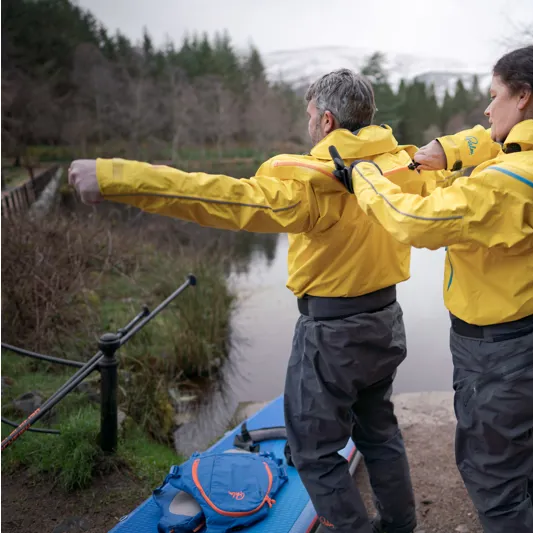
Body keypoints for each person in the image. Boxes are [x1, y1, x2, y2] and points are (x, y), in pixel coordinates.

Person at [68, 69, 425, 533]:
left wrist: (116, 177)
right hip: (385, 322)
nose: (308, 122)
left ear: (328, 122)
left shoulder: (310, 187)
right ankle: (400, 527)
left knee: (315, 452)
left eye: (310, 114)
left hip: (332, 337)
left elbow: (215, 197)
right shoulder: (404, 167)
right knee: (378, 433)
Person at [326, 44, 533, 533]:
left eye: (493, 95)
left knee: (494, 486)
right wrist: (451, 151)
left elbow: (415, 221)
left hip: (501, 359)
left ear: (522, 97)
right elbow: (495, 144)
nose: (485, 107)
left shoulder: (510, 181)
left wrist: (364, 176)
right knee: (518, 464)